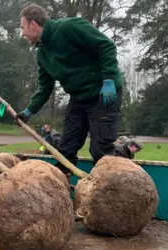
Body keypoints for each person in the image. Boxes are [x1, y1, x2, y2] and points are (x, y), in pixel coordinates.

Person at [15, 3, 124, 174]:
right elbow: (45, 87)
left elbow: (106, 46)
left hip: (103, 94)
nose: (22, 33)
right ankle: (60, 189)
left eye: (22, 28)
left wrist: (109, 80)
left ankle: (124, 153)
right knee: (65, 151)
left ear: (33, 24)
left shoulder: (69, 27)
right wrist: (29, 111)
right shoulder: (42, 54)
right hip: (78, 98)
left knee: (100, 152)